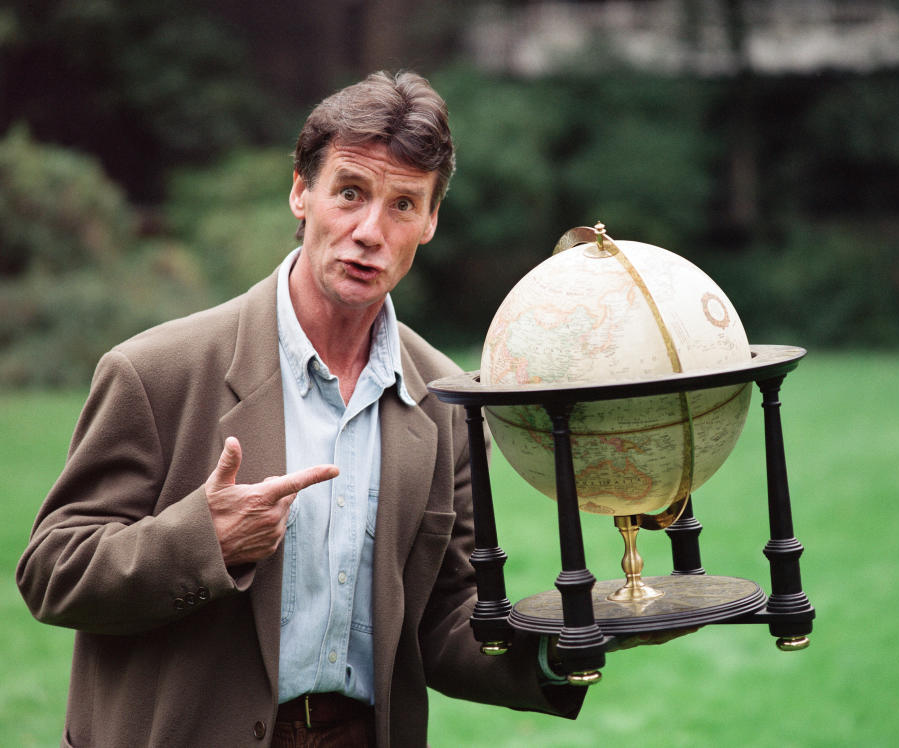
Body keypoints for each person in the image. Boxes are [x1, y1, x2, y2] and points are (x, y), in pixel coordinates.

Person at [16, 70, 587, 747]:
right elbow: (52, 572)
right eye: (350, 192)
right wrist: (208, 542)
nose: (369, 231)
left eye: (403, 205)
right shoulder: (153, 372)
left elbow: (442, 620)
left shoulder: (447, 401)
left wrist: (568, 644)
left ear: (430, 221)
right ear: (300, 192)